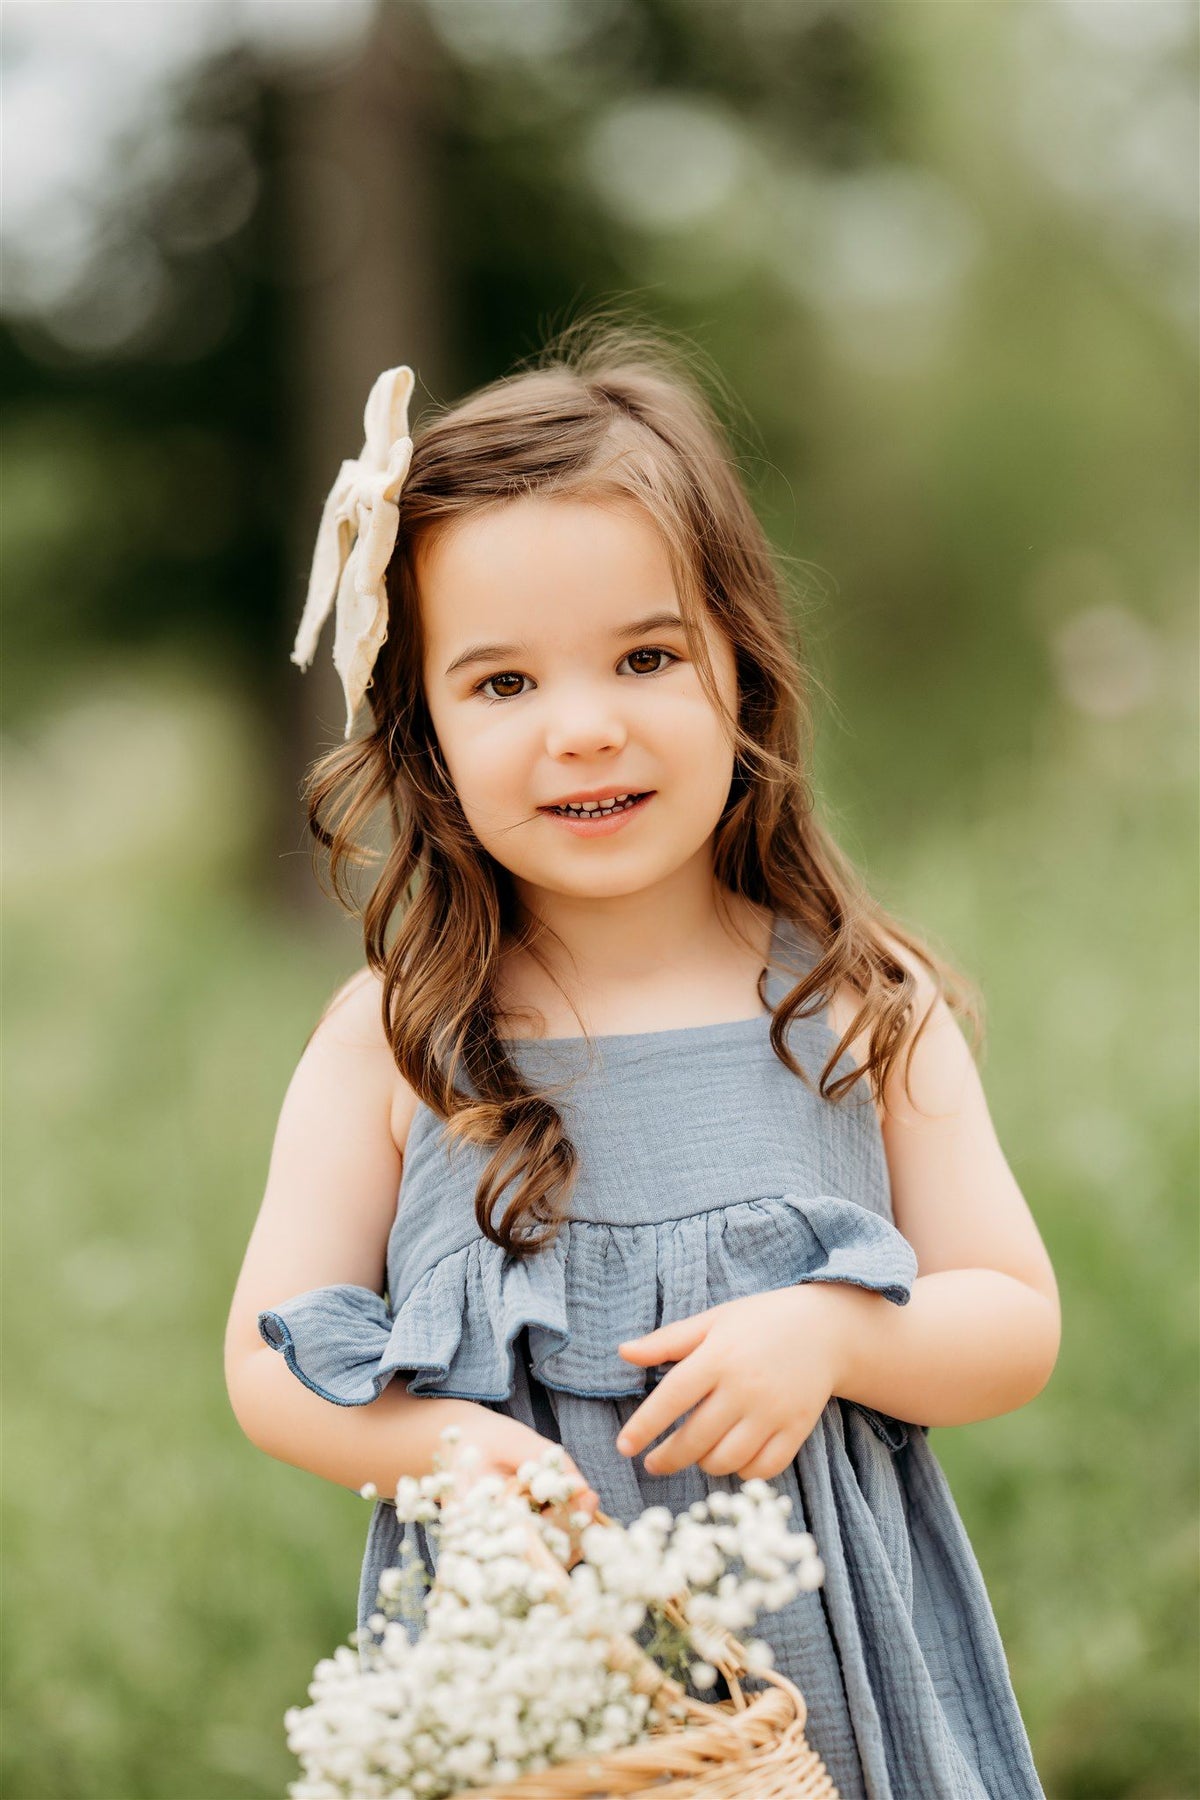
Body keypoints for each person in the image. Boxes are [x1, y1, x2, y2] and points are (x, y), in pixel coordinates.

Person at [224, 316, 1057, 1798]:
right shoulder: (398, 1042)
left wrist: (844, 1335)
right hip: (533, 1703)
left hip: (836, 1699)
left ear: (742, 666)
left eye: (645, 655)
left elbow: (1010, 1318)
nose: (586, 729)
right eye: (503, 685)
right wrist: (445, 1452)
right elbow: (268, 1361)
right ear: (421, 731)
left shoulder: (864, 1004)